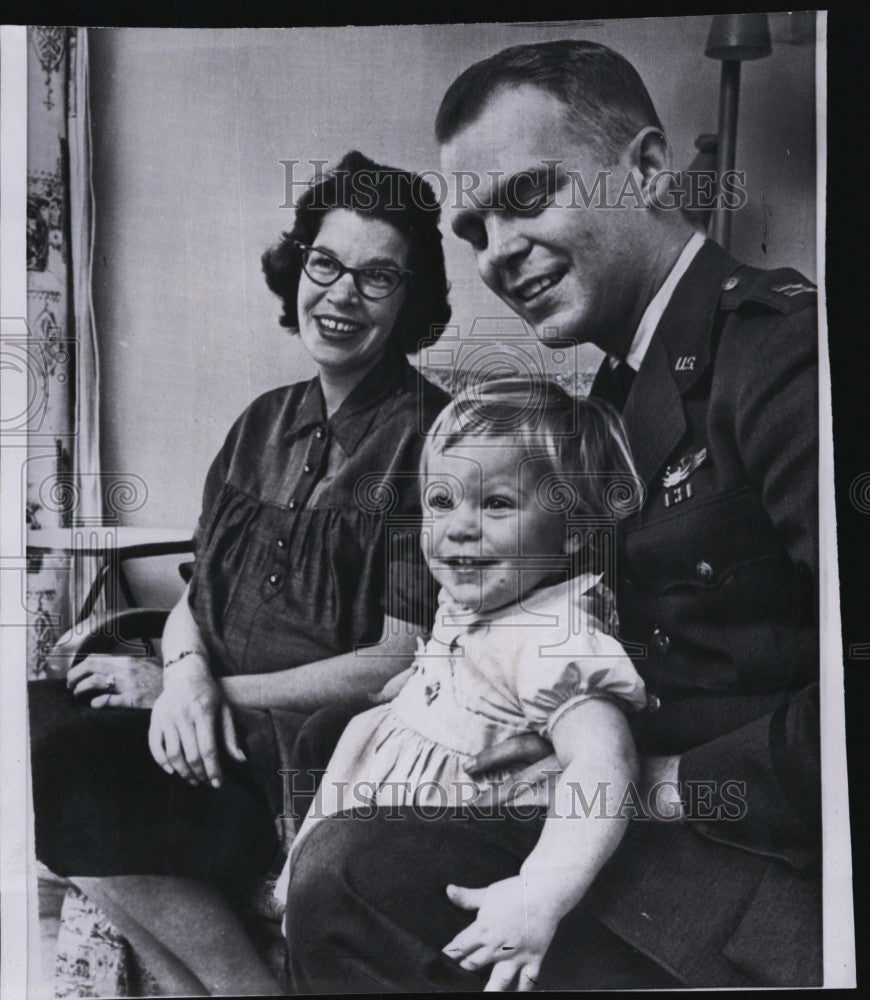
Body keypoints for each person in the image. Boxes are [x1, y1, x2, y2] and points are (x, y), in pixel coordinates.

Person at [286, 40, 820, 990]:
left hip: (752, 858)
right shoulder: (609, 393)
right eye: (475, 228)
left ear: (647, 170)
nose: (498, 253)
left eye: (528, 197)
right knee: (334, 744)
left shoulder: (785, 362)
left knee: (347, 876)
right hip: (610, 799)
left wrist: (662, 788)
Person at [28, 149, 451, 994]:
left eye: (379, 278)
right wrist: (180, 672)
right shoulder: (263, 420)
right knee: (35, 719)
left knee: (64, 768)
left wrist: (209, 698)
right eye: (326, 263)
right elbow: (197, 597)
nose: (341, 295)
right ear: (298, 268)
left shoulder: (432, 438)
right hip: (194, 718)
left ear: (411, 304)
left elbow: (400, 659)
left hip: (285, 756)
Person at [282, 377, 652, 991]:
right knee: (326, 733)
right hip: (407, 799)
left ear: (575, 530)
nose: (459, 527)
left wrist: (541, 892)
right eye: (441, 501)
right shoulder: (476, 599)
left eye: (498, 504)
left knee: (337, 883)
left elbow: (602, 765)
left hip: (476, 835)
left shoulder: (550, 635)